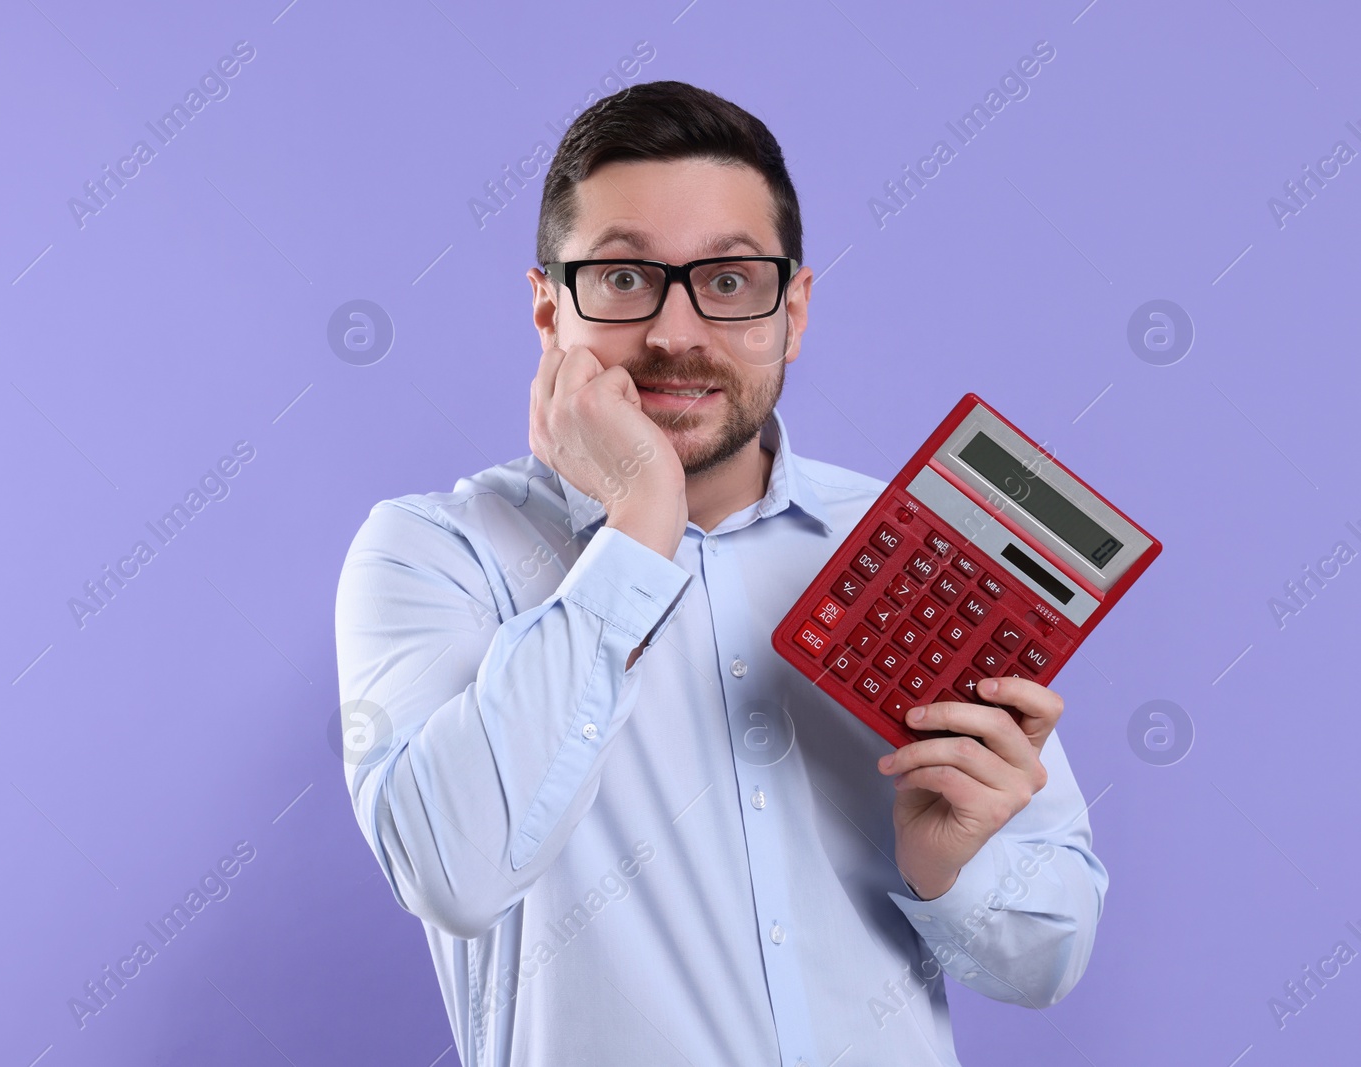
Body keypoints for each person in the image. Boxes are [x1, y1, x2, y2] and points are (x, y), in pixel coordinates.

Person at [334, 79, 1107, 1067]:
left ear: (795, 308)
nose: (676, 333)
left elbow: (1050, 953)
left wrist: (950, 870)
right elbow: (452, 871)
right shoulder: (434, 553)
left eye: (730, 281)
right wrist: (638, 525)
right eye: (620, 277)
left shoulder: (909, 547)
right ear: (546, 310)